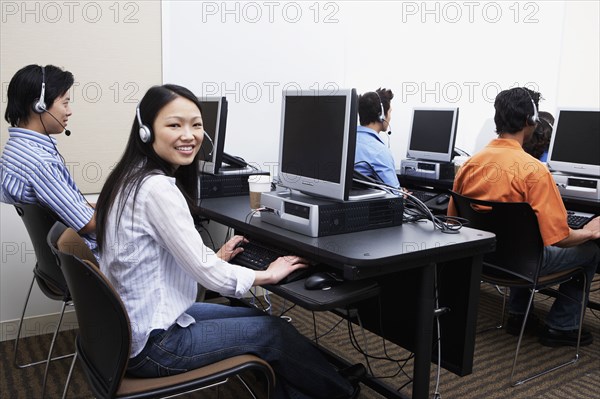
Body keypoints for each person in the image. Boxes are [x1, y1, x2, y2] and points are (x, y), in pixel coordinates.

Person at [95, 84, 360, 399]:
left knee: (258, 319)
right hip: (157, 344)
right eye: (174, 125)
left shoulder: (130, 177)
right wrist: (267, 274)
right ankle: (344, 391)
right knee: (275, 333)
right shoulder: (157, 190)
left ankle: (309, 386)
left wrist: (214, 257)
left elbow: (170, 258)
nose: (189, 135)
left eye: (196, 124)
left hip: (136, 329)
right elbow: (207, 274)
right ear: (145, 131)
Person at [448, 87, 600, 346]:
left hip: (485, 261)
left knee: (524, 237)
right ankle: (562, 326)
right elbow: (560, 237)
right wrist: (590, 232)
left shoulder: (469, 165)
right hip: (524, 264)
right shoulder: (534, 172)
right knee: (592, 250)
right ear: (531, 120)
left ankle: (519, 315)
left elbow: (453, 223)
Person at [0, 64, 97, 254]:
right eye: (65, 103)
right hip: (92, 262)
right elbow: (86, 224)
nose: (69, 111)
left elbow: (68, 205)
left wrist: (109, 204)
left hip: (58, 263)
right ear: (40, 105)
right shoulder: (40, 162)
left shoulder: (15, 150)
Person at [354, 88, 400, 188]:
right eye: (390, 112)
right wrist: (402, 194)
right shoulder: (379, 152)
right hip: (365, 202)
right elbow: (394, 194)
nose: (390, 117)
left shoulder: (345, 141)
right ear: (381, 116)